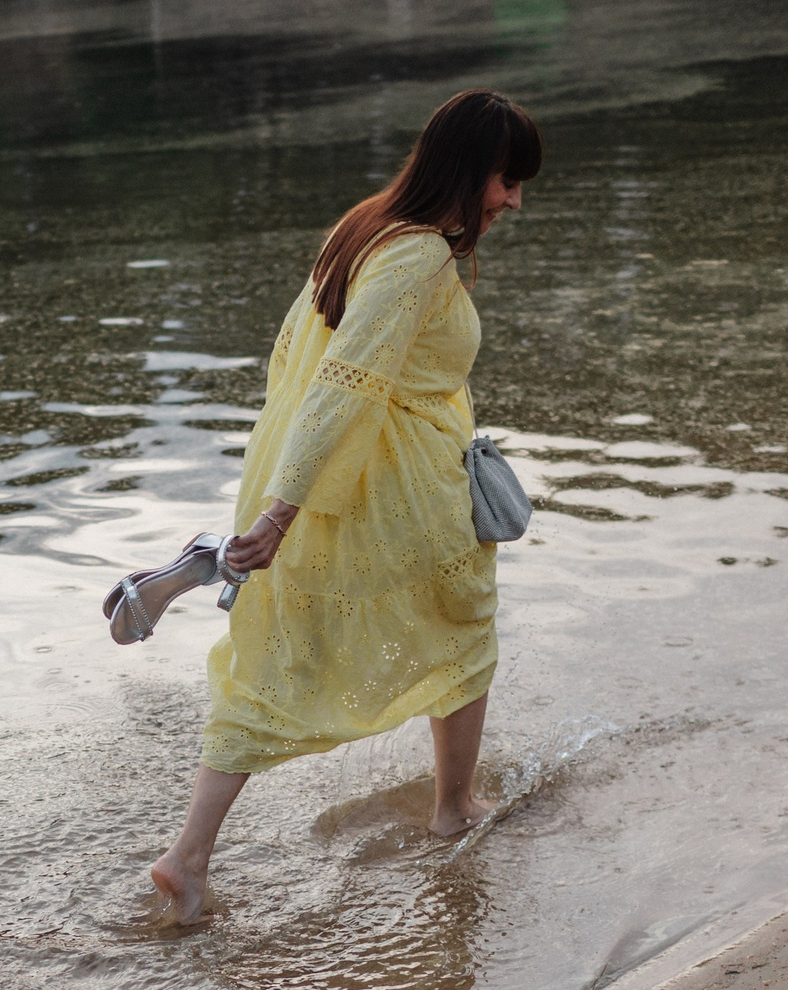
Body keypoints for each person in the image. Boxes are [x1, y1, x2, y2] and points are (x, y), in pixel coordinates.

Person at [148, 89, 542, 925]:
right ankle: (452, 809)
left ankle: (188, 858)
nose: (513, 201)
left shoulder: (363, 224)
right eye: (507, 181)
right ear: (471, 171)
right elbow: (343, 383)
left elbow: (292, 359)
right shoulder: (420, 256)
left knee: (273, 661)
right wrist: (283, 515)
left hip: (348, 478)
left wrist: (273, 493)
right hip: (395, 490)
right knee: (466, 632)